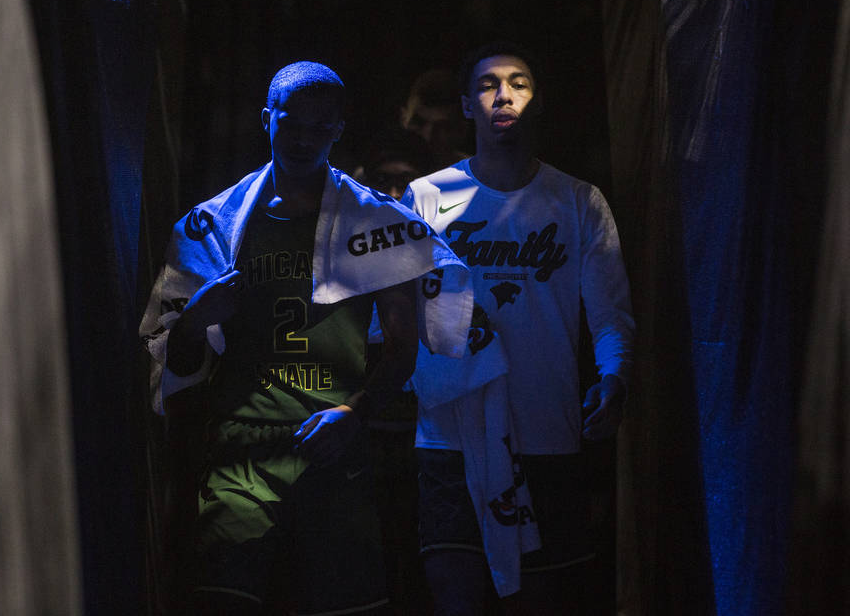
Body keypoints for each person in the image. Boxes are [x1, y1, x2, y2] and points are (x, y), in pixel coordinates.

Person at [139, 61, 471, 615]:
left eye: (320, 128)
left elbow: (402, 347)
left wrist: (357, 413)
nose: (302, 139)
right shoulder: (215, 225)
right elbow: (171, 356)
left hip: (333, 447)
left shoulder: (375, 224)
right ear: (266, 118)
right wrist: (195, 318)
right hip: (239, 454)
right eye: (291, 122)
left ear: (338, 130)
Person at [402, 42, 635, 615]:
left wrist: (615, 375)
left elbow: (609, 313)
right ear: (465, 104)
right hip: (452, 435)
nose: (503, 94)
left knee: (541, 600)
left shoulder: (577, 201)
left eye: (519, 82)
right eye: (487, 84)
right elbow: (397, 315)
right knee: (457, 598)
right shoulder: (429, 197)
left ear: (537, 100)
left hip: (545, 432)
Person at [400, 68, 472, 170]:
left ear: (461, 131)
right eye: (418, 122)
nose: (427, 137)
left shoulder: (485, 180)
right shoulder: (375, 172)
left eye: (442, 128)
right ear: (403, 118)